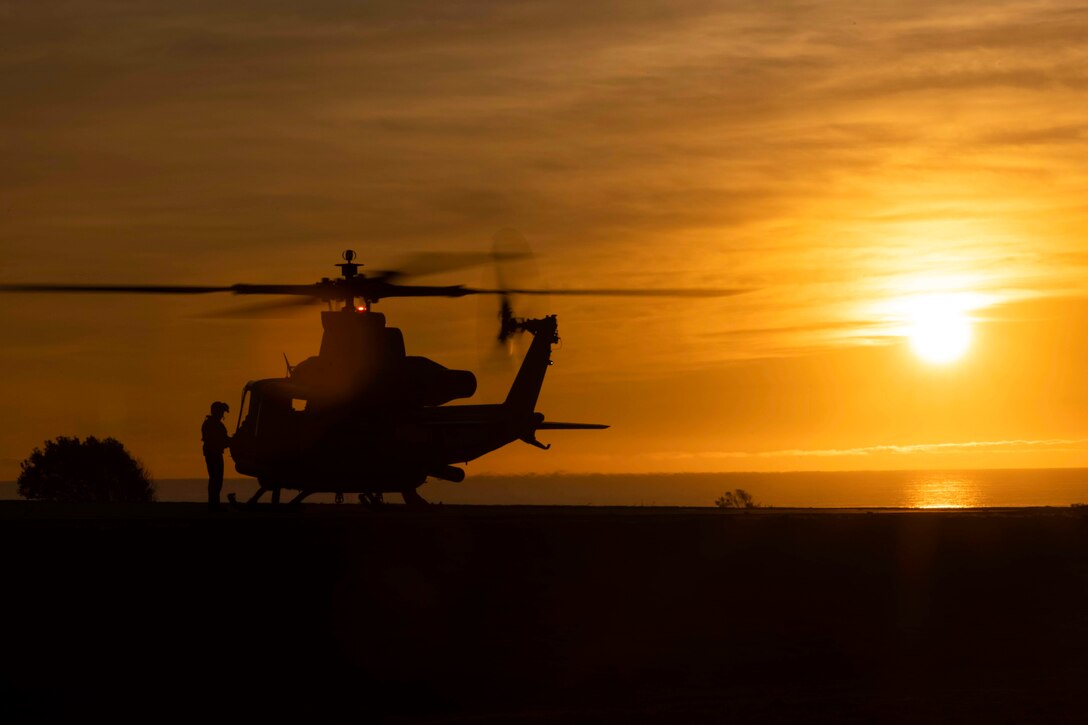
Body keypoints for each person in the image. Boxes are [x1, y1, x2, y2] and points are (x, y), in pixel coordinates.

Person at [202, 401, 232, 511]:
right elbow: (222, 440)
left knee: (214, 479)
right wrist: (232, 441)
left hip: (211, 452)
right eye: (222, 412)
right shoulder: (215, 425)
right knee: (216, 479)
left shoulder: (209, 423)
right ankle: (214, 504)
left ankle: (213, 503)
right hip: (214, 453)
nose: (222, 415)